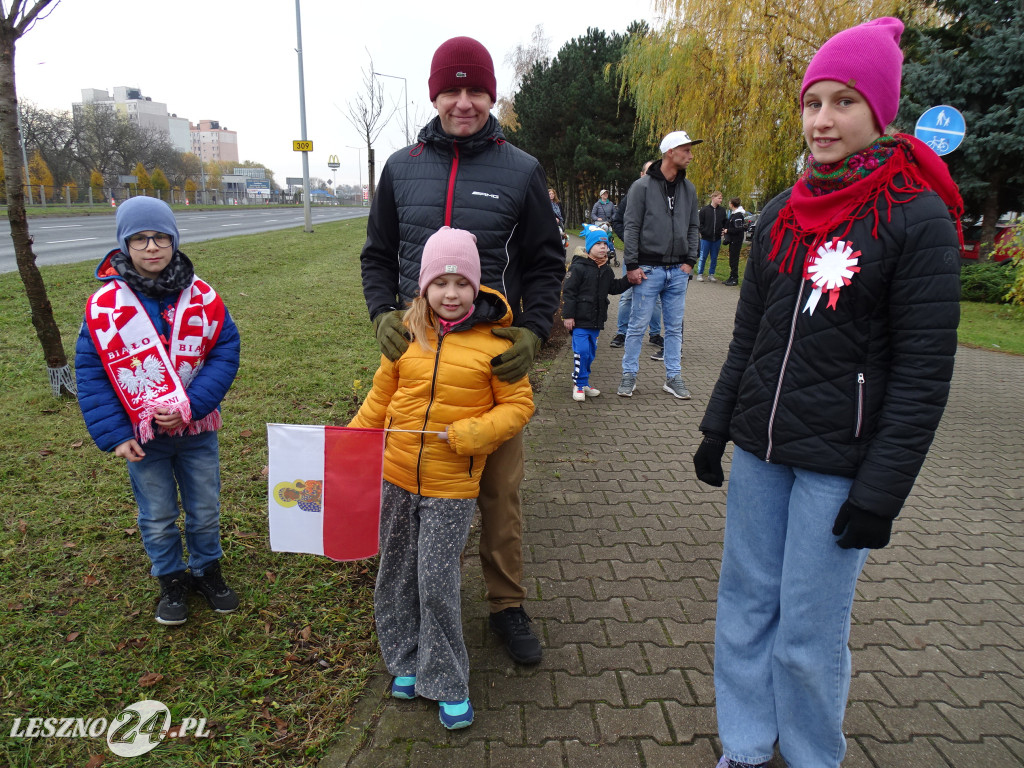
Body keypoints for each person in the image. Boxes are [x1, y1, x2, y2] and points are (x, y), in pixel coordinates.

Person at [692, 18, 962, 768]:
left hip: (838, 466)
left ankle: (813, 755)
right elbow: (748, 336)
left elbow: (922, 377)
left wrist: (883, 491)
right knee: (745, 607)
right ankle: (745, 746)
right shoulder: (783, 210)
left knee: (808, 631)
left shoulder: (915, 219)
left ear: (881, 113)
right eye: (814, 101)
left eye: (844, 101)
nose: (823, 119)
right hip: (763, 455)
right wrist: (718, 427)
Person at [360, 35, 565, 665]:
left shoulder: (521, 169)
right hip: (417, 357)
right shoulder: (400, 166)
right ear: (435, 94)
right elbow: (377, 255)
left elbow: (544, 261)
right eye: (453, 89)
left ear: (491, 95)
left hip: (487, 364)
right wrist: (381, 315)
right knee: (408, 480)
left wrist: (532, 330)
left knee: (500, 490)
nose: (465, 102)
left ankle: (505, 604)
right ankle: (412, 595)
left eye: (477, 90)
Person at [351, 227, 535, 730]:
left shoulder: (495, 344)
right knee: (395, 574)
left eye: (461, 283)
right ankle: (406, 661)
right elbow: (378, 402)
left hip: (452, 485)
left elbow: (520, 404)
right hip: (396, 477)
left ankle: (448, 679)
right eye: (440, 282)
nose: (450, 294)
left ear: (477, 288)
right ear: (423, 287)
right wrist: (346, 444)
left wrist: (479, 433)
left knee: (435, 580)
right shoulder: (407, 335)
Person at [74, 197, 241, 626]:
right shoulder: (105, 307)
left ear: (174, 239)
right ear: (125, 244)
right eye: (140, 238)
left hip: (196, 430)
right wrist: (114, 433)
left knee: (205, 509)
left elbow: (225, 351)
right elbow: (91, 371)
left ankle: (207, 570)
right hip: (143, 436)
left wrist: (193, 405)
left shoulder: (202, 297)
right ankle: (170, 577)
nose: (152, 247)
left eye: (161, 236)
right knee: (159, 514)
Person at [617, 130, 700, 400]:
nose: (690, 155)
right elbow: (631, 227)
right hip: (648, 270)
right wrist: (631, 265)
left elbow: (693, 226)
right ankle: (629, 375)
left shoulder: (689, 188)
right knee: (637, 325)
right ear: (669, 153)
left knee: (674, 327)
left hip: (678, 271)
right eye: (685, 150)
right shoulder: (640, 187)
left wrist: (690, 262)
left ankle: (673, 377)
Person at [561, 228, 631, 401]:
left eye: (605, 244)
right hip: (579, 320)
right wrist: (568, 316)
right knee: (581, 351)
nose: (602, 247)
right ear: (589, 246)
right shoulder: (578, 267)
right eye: (598, 244)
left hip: (596, 320)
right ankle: (578, 384)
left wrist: (629, 280)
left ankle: (584, 382)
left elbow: (613, 288)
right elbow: (569, 292)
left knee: (590, 353)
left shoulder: (606, 269)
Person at [610, 160, 664, 358]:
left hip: (656, 257)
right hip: (634, 255)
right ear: (642, 174)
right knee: (627, 295)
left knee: (656, 297)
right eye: (649, 171)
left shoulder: (663, 195)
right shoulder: (632, 194)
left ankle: (655, 333)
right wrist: (631, 241)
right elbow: (617, 221)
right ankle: (621, 333)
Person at [696, 191, 728, 282]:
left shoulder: (722, 211)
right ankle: (700, 273)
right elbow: (700, 223)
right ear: (713, 198)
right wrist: (703, 232)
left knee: (714, 257)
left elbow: (725, 222)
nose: (721, 200)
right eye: (719, 198)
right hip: (706, 238)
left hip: (717, 238)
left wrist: (724, 230)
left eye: (721, 198)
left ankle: (711, 274)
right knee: (703, 256)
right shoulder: (704, 210)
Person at [722, 197, 747, 286]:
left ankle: (734, 278)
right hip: (732, 241)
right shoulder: (733, 214)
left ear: (732, 204)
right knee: (732, 260)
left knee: (734, 260)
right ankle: (731, 276)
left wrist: (727, 231)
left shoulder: (738, 216)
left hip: (736, 241)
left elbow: (738, 229)